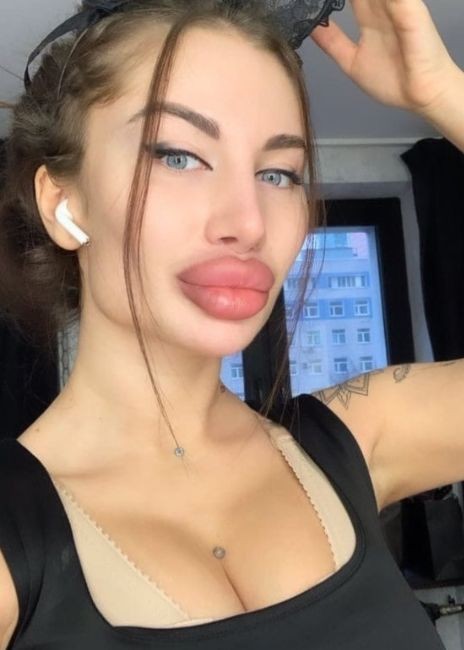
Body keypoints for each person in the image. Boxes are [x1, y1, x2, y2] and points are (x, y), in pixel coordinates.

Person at [0, 0, 463, 648]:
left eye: (279, 173)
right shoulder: (13, 542)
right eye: (179, 156)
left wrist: (445, 95)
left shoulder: (358, 439)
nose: (248, 222)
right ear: (62, 203)